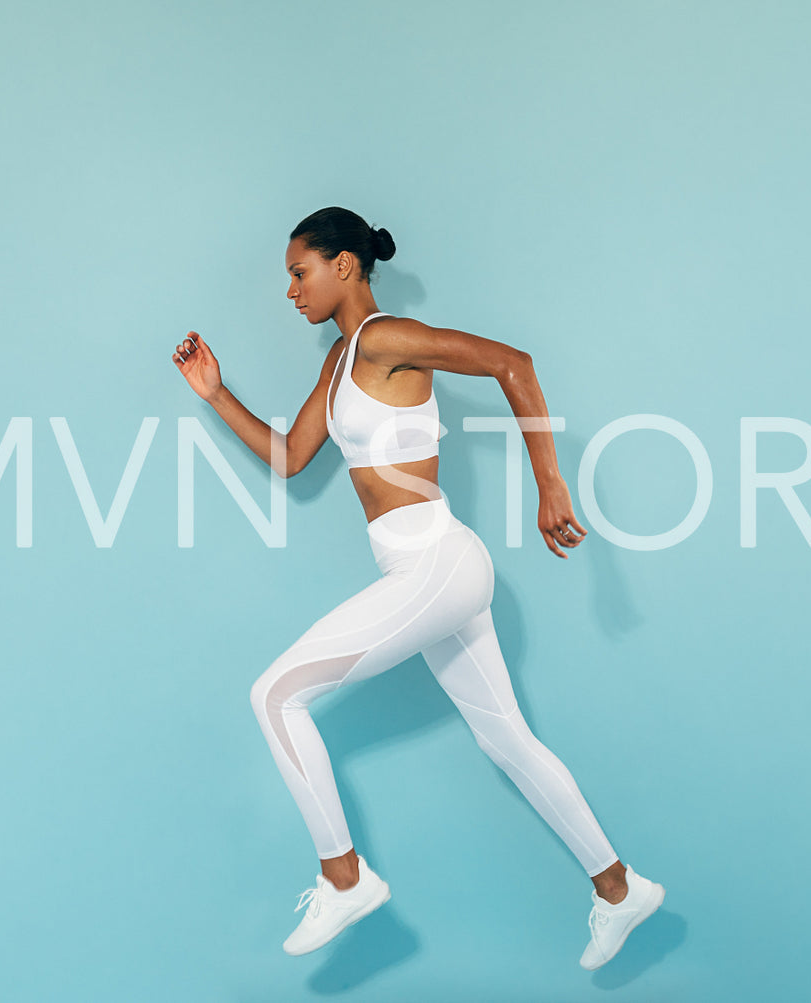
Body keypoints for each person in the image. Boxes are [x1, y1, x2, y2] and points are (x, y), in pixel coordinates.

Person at [170, 206, 663, 970]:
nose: (291, 291)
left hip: (436, 561)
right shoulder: (338, 362)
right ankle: (619, 889)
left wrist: (550, 487)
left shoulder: (385, 338)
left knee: (274, 694)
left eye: (299, 273)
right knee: (508, 740)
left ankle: (344, 876)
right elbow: (290, 455)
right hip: (423, 570)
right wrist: (214, 391)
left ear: (344, 266)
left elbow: (514, 364)